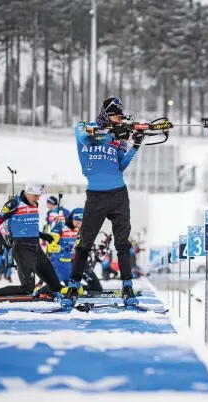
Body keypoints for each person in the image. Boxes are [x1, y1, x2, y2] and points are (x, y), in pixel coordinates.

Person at [63, 97, 144, 306]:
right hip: (96, 195)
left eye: (120, 118)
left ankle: (127, 286)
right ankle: (73, 287)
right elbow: (85, 139)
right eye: (116, 117)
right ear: (106, 115)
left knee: (123, 243)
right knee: (84, 244)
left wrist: (135, 145)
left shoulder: (119, 137)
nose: (119, 121)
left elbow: (121, 166)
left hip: (119, 193)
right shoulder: (84, 127)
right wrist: (111, 133)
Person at [0, 183, 62, 300]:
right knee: (27, 288)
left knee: (55, 285)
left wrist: (43, 235)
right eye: (36, 195)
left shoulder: (35, 203)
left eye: (39, 195)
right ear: (28, 192)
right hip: (22, 248)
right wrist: (1, 240)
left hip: (36, 247)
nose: (38, 198)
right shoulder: (14, 204)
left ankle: (39, 295)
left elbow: (30, 225)